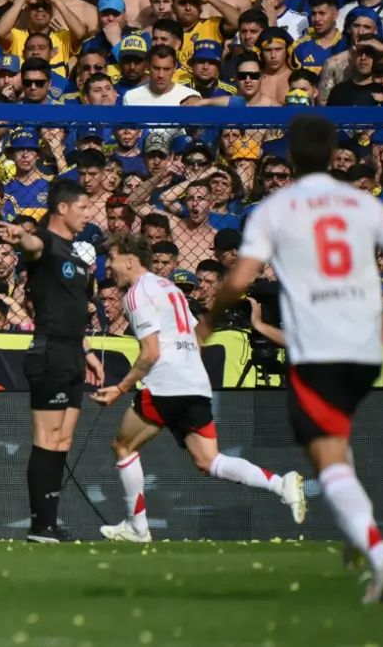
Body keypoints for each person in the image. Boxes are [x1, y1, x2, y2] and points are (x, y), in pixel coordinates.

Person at [198, 114, 383, 604]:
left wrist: (207, 321)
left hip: (318, 350)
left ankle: (382, 560)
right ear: (333, 156)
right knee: (337, 445)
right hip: (367, 346)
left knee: (326, 458)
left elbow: (238, 282)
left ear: (290, 159)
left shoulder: (275, 209)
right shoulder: (362, 203)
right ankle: (356, 530)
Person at [91, 233, 306, 543]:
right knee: (210, 461)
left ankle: (137, 527)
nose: (108, 266)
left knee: (123, 446)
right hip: (194, 381)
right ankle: (280, 484)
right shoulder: (170, 288)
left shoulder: (137, 294)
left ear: (130, 259)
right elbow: (197, 337)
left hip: (165, 383)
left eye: (111, 258)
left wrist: (120, 388)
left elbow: (150, 352)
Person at [0, 179, 105, 543]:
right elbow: (30, 244)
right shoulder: (45, 242)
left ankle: (51, 522)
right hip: (50, 351)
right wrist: (18, 234)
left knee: (63, 440)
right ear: (63, 208)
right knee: (46, 438)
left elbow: (74, 310)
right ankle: (39, 524)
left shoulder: (77, 254)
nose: (88, 214)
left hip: (74, 352)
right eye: (84, 207)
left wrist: (87, 352)